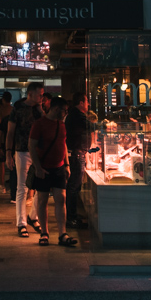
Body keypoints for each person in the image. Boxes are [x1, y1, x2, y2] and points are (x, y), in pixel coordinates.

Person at [30, 96, 76, 246]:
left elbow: (63, 144)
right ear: (57, 109)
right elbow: (31, 146)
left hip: (59, 167)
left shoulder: (61, 125)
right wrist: (38, 167)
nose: (65, 113)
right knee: (42, 200)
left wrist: (67, 165)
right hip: (44, 168)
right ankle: (44, 233)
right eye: (64, 111)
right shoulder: (39, 124)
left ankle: (62, 233)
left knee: (60, 199)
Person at [6, 81, 44, 238]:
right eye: (39, 94)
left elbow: (45, 125)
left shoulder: (39, 110)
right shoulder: (18, 108)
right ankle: (21, 223)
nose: (42, 97)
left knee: (40, 187)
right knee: (22, 187)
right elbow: (10, 132)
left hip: (39, 152)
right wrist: (8, 152)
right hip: (22, 150)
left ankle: (33, 217)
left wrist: (41, 110)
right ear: (30, 94)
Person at [64, 92, 93, 229]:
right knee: (74, 187)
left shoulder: (75, 114)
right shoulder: (77, 115)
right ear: (81, 103)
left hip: (77, 154)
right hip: (76, 154)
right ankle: (71, 218)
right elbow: (91, 126)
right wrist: (105, 126)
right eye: (86, 101)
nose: (88, 104)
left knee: (74, 187)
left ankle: (73, 215)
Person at [0, 92, 13, 192]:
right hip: (13, 139)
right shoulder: (13, 110)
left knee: (0, 163)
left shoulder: (1, 110)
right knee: (13, 162)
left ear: (3, 99)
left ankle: (2, 185)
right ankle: (13, 183)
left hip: (2, 139)